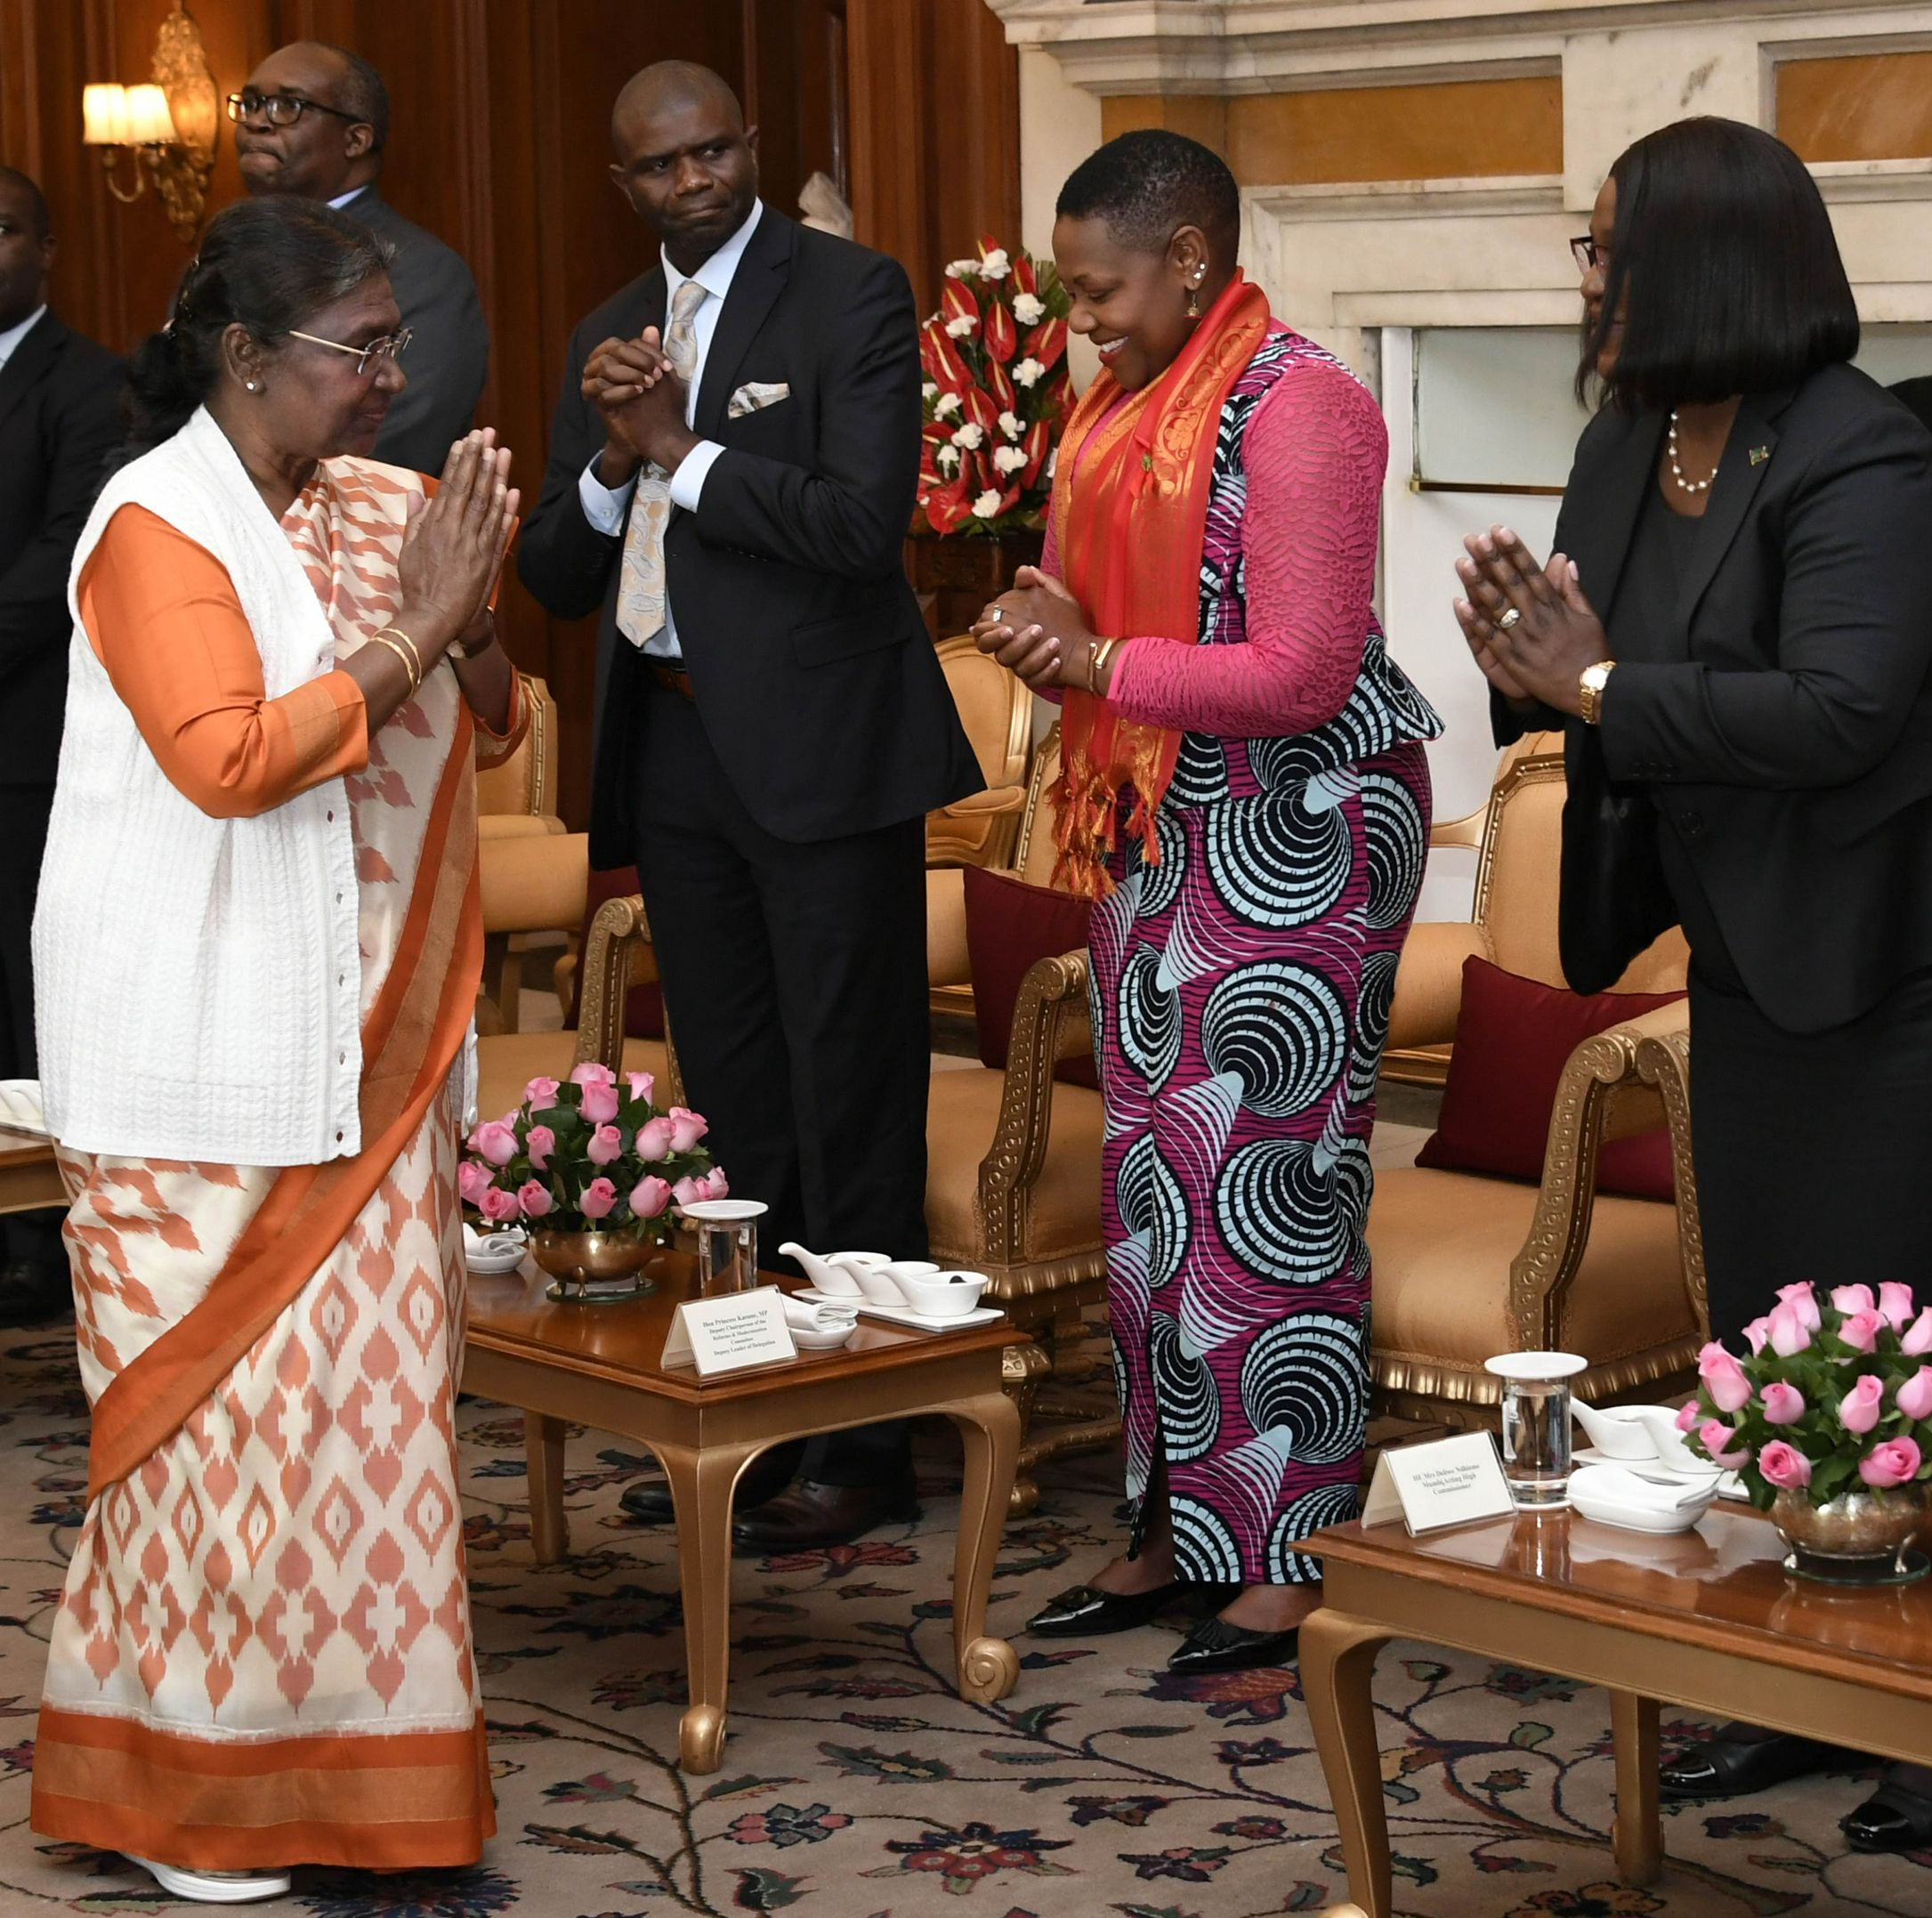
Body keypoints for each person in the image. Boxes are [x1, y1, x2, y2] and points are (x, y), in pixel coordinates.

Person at [1452, 117, 1932, 1853]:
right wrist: (1522, 662)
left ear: (1701, 265)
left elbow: (1837, 712)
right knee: (1779, 1316)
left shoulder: (1864, 452)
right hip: (1759, 936)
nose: (1586, 277)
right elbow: (1588, 679)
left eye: (1605, 248)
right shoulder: (1627, 437)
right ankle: (1808, 1675)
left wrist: (1592, 681)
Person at [27, 196, 524, 1904]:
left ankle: (364, 1795)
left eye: (396, 342)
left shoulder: (384, 504)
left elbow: (496, 714)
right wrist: (420, 627)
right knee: (213, 1448)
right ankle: (189, 1801)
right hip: (203, 1055)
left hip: (372, 1045)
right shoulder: (151, 522)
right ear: (244, 354)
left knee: (370, 1443)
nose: (391, 376)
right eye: (358, 349)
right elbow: (228, 759)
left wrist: (472, 613)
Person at [977, 130, 1439, 1675]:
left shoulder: (1307, 405)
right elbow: (1094, 606)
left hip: (1299, 821)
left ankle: (1289, 1553)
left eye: (1097, 288)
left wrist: (1098, 659)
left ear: (1188, 258)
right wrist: (1048, 621)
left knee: (1271, 1189)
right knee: (1158, 1189)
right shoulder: (1118, 411)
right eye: (1066, 293)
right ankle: (1179, 1523)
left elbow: (1301, 669)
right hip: (1158, 815)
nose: (1080, 322)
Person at [516, 61, 974, 1553]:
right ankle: (765, 1412)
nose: (693, 180)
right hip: (672, 748)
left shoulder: (849, 292)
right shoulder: (606, 331)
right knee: (732, 1101)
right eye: (661, 166)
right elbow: (555, 573)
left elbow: (860, 524)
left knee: (852, 1090)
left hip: (826, 751)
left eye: (713, 152)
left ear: (751, 148)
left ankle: (872, 1434)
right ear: (624, 184)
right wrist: (609, 458)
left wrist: (680, 450)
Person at [0, 166, 122, 1325]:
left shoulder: (90, 382)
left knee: (27, 991)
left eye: (1, 229)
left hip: (30, 736)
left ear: (46, 247)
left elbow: (62, 555)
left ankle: (43, 1242)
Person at [232, 39, 488, 476]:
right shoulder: (223, 256)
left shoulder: (424, 271)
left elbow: (397, 440)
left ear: (355, 139)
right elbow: (163, 404)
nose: (257, 121)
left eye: (288, 106)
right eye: (252, 103)